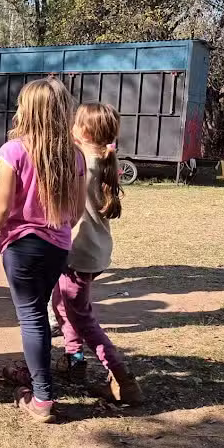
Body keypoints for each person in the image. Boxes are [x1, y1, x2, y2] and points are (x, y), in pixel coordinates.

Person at [0, 78, 86, 423]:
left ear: (31, 111)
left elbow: (1, 206)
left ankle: (42, 398)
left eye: (21, 103)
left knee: (32, 317)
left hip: (22, 247)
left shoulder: (14, 151)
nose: (17, 109)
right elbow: (79, 209)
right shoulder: (75, 154)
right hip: (58, 246)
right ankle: (35, 374)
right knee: (37, 313)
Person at [53, 103, 143, 405]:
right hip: (94, 251)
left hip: (79, 252)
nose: (70, 127)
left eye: (75, 123)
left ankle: (122, 377)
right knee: (62, 304)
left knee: (83, 318)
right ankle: (73, 357)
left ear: (85, 131)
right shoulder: (101, 160)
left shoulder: (83, 164)